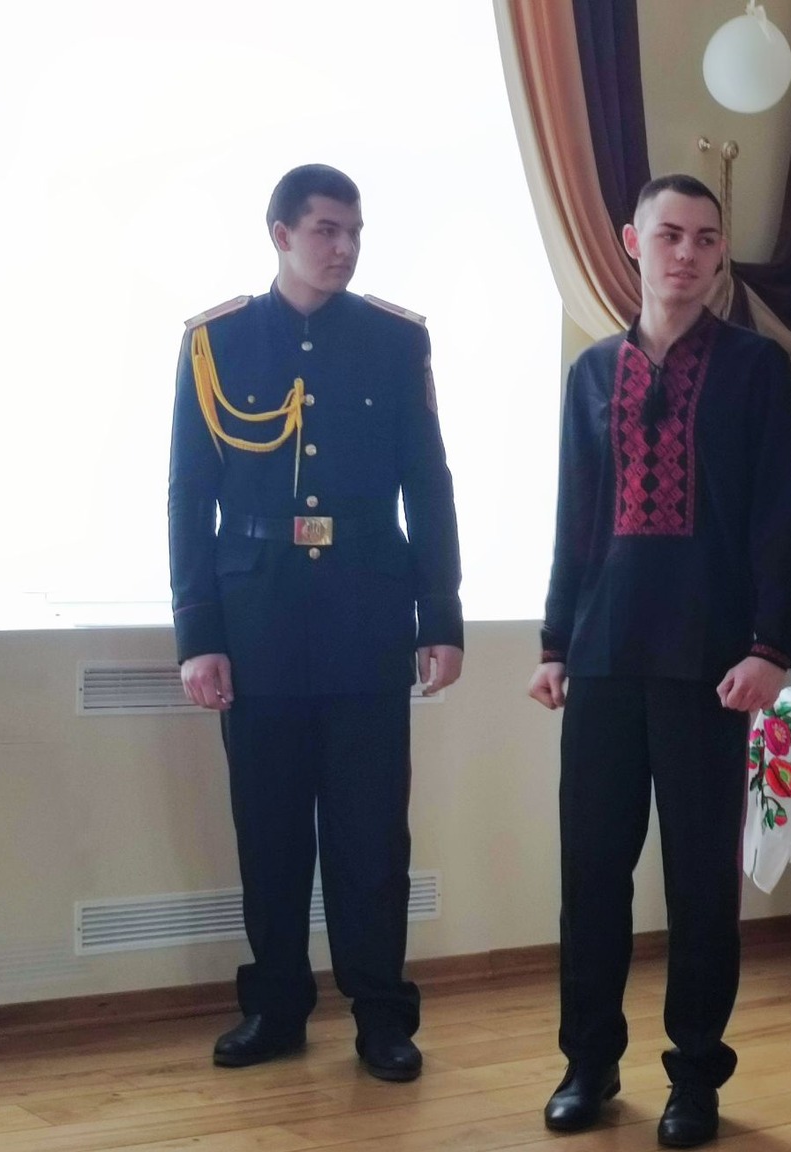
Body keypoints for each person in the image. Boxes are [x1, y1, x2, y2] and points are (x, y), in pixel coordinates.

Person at [528, 174, 791, 1148]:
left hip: (710, 665)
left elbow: (781, 516)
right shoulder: (589, 375)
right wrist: (554, 644)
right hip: (604, 657)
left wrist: (773, 647)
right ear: (631, 242)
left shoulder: (754, 368)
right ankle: (588, 1063)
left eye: (704, 238)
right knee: (591, 875)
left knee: (699, 884)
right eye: (669, 235)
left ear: (719, 250)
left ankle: (695, 1077)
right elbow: (574, 519)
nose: (686, 253)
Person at [167, 163, 463, 1083]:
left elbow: (429, 484)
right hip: (257, 619)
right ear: (281, 234)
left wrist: (441, 612)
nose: (344, 248)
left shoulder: (394, 341)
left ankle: (382, 1017)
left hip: (367, 614)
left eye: (355, 231)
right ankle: (276, 1007)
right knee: (270, 832)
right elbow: (188, 496)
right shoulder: (216, 342)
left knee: (371, 837)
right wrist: (198, 634)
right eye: (327, 230)